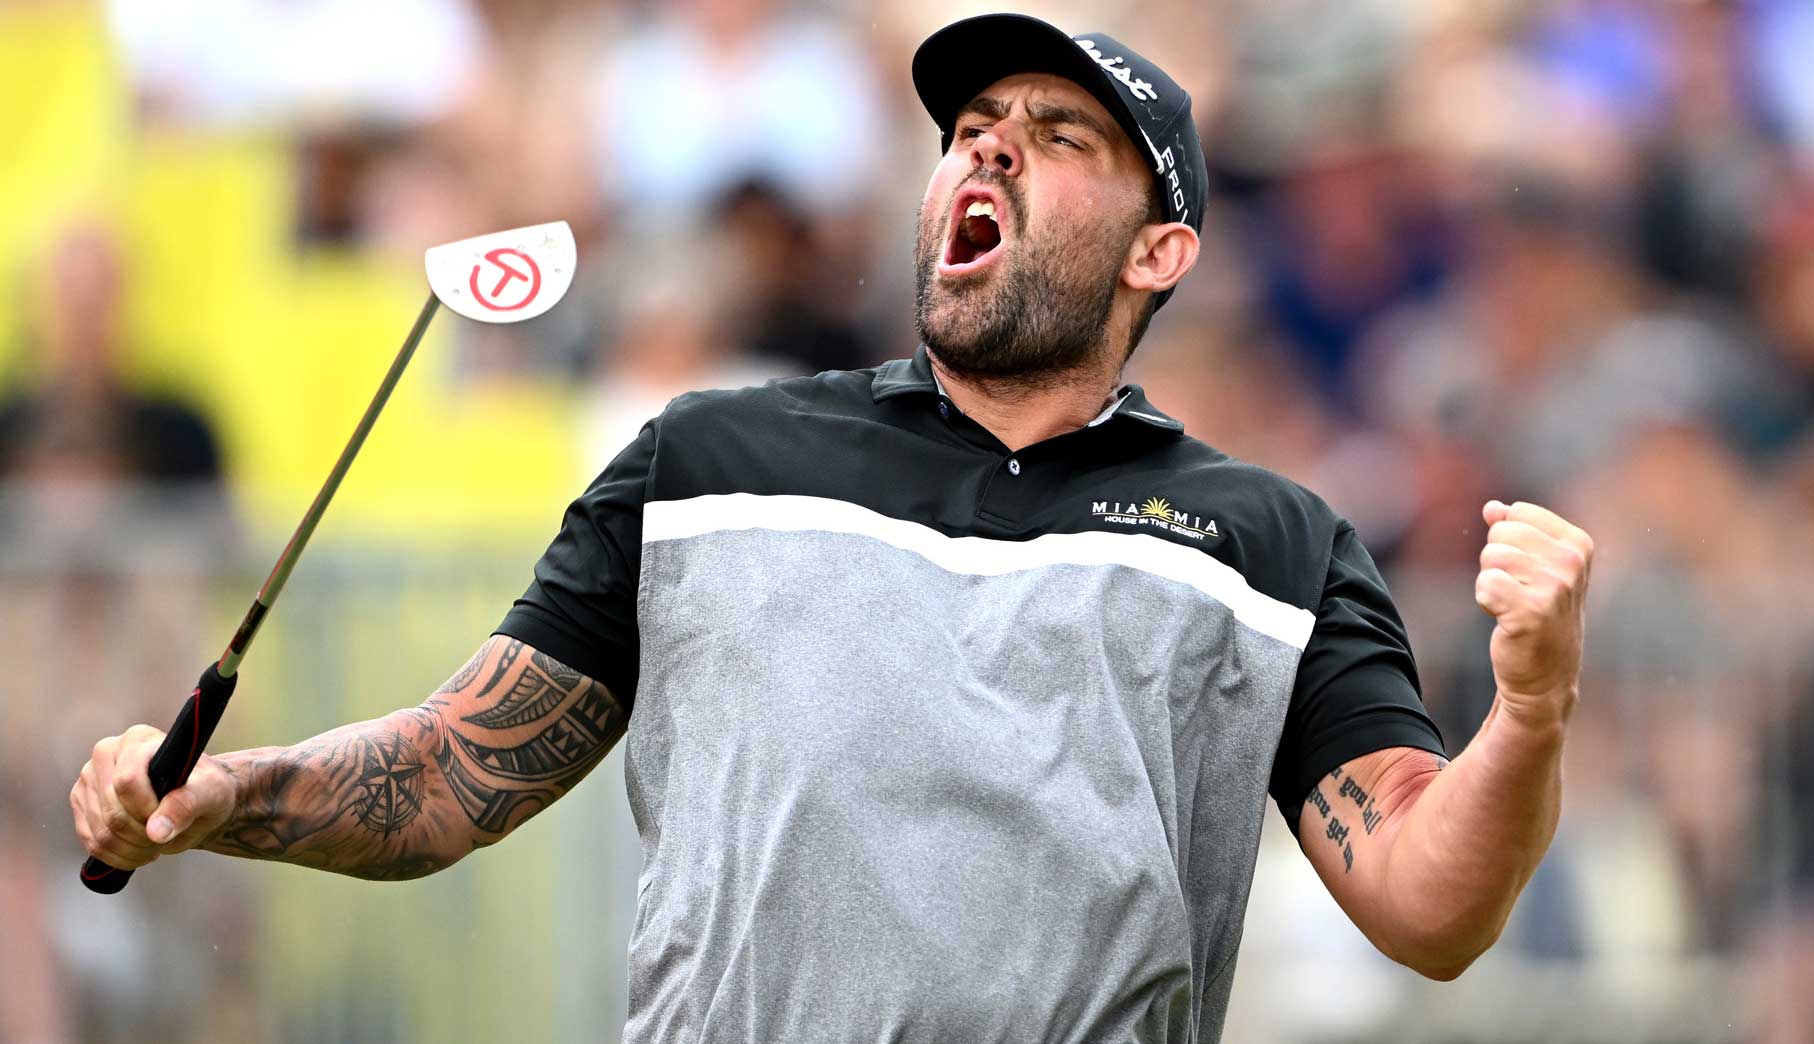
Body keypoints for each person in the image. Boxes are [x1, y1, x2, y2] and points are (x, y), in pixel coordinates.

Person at [71, 14, 1595, 1042]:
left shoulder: (1270, 541)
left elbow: (1428, 904)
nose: (988, 147)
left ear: (1164, 247)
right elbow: (454, 772)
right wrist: (227, 795)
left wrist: (1527, 712)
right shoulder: (714, 455)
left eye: (1058, 136)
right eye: (972, 127)